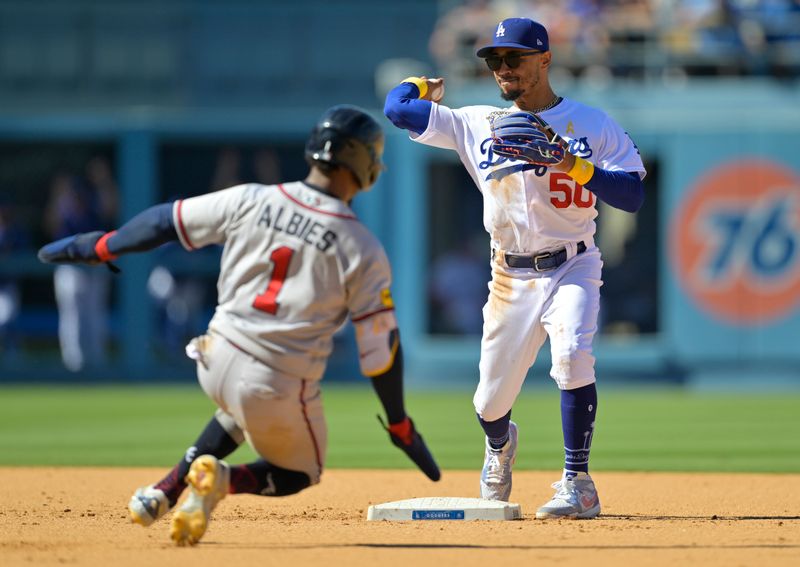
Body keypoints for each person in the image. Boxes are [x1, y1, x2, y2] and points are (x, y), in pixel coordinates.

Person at [38, 105, 440, 545]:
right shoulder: (362, 248)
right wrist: (399, 424)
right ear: (363, 162)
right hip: (274, 380)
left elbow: (163, 221)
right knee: (302, 472)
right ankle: (222, 480)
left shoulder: (251, 198)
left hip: (213, 356)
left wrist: (103, 245)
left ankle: (164, 491)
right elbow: (381, 354)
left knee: (237, 411)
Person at [384, 17, 645, 519]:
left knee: (572, 355)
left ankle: (578, 482)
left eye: (514, 58)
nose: (502, 68)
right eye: (494, 59)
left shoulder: (591, 123)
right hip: (509, 275)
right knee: (488, 401)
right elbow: (396, 109)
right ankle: (500, 445)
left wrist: (574, 164)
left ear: (545, 59)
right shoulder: (474, 122)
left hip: (574, 262)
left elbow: (632, 195)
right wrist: (424, 84)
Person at [42, 157, 118, 372]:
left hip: (95, 265)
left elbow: (110, 208)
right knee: (71, 317)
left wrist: (104, 181)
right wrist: (57, 193)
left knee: (95, 316)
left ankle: (96, 364)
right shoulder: (63, 207)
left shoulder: (93, 202)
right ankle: (74, 366)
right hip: (69, 267)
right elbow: (49, 225)